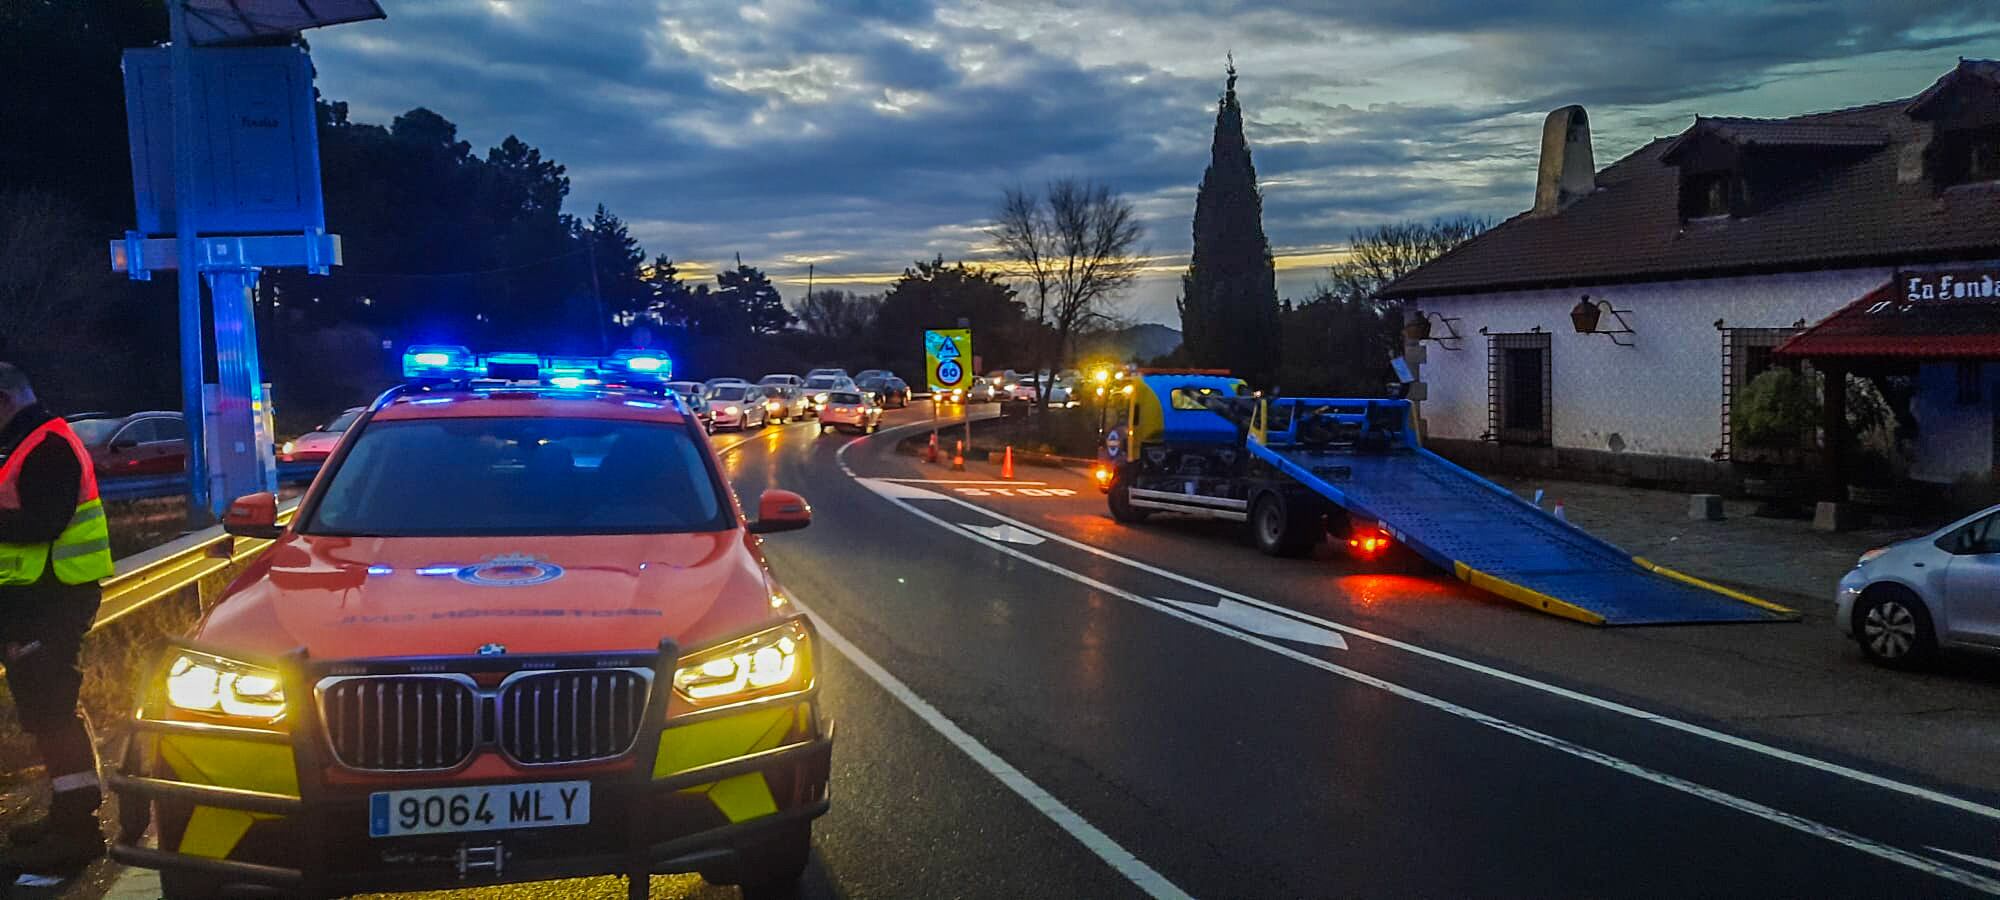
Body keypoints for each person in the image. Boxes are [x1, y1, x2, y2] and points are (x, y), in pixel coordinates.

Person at [0, 363, 113, 873]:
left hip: (53, 600)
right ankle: (68, 814)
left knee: (50, 710)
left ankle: (78, 830)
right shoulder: (30, 441)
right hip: (36, 598)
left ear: (4, 400)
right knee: (48, 709)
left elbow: (42, 523)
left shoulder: (46, 445)